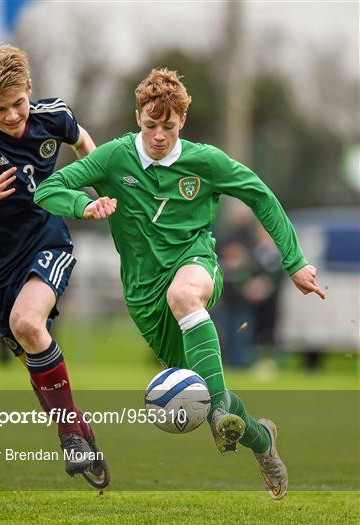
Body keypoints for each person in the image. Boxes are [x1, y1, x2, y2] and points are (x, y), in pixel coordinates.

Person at [34, 68, 325, 500]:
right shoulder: (114, 157)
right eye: (151, 125)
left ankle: (219, 412)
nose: (158, 136)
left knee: (184, 294)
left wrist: (295, 261)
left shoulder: (204, 161)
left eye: (168, 127)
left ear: (182, 122)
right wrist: (84, 204)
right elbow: (48, 189)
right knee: (205, 389)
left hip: (196, 262)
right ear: (138, 118)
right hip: (143, 295)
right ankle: (261, 442)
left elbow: (259, 194)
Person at [0, 44, 113, 488]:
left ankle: (69, 438)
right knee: (29, 348)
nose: (13, 117)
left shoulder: (53, 115)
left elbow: (83, 144)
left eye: (18, 104)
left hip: (46, 239)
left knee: (28, 323)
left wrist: (97, 194)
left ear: (30, 90)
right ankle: (80, 432)